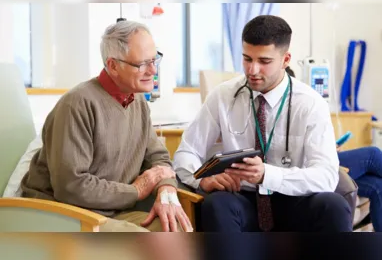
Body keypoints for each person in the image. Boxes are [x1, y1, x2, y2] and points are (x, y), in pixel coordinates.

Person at [173, 15, 352, 232]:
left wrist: (268, 175)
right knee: (217, 203)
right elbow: (186, 152)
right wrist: (201, 180)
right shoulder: (223, 96)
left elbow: (326, 176)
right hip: (244, 199)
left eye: (264, 62)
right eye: (247, 59)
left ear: (286, 60)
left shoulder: (311, 104)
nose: (252, 70)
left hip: (293, 198)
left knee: (333, 206)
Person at [20, 20, 193, 232]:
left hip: (112, 212)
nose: (153, 71)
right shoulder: (77, 104)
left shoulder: (137, 101)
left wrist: (166, 189)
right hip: (60, 212)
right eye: (142, 64)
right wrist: (136, 191)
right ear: (113, 65)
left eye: (154, 60)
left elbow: (159, 159)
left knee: (178, 230)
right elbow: (71, 188)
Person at [286, 65, 382, 232]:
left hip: (315, 159)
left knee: (377, 185)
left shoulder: (301, 107)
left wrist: (327, 146)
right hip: (308, 168)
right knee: (372, 154)